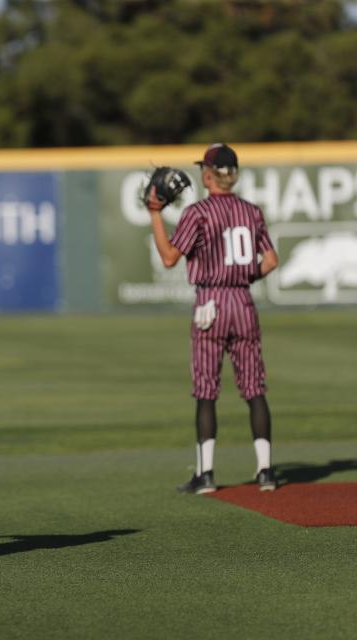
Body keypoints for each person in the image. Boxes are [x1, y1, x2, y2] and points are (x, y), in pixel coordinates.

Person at [146, 143, 280, 494]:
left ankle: (206, 474)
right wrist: (241, 279)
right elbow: (270, 261)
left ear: (208, 175)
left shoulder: (199, 213)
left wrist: (155, 213)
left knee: (207, 391)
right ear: (233, 175)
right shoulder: (252, 212)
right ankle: (265, 471)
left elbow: (170, 257)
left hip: (210, 302)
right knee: (254, 389)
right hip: (243, 301)